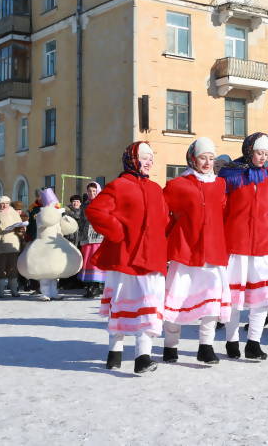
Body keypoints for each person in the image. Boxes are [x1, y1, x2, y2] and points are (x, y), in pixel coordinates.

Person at [86, 141, 169, 374]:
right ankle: (115, 351)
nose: (149, 161)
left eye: (151, 157)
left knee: (149, 305)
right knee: (121, 304)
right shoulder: (119, 186)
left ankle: (143, 356)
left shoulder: (155, 189)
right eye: (144, 157)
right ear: (132, 159)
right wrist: (118, 232)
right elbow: (95, 211)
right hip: (124, 257)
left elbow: (164, 220)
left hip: (151, 258)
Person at [218, 133, 268, 360]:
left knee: (262, 298)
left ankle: (253, 342)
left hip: (264, 246)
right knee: (233, 299)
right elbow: (217, 204)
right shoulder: (229, 175)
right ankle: (231, 342)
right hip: (236, 245)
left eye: (267, 153)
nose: (263, 157)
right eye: (260, 152)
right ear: (249, 151)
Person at [162, 137, 231, 366]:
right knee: (177, 299)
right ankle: (170, 346)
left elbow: (224, 213)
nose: (208, 162)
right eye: (203, 157)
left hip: (213, 252)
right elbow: (163, 215)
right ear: (193, 158)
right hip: (186, 252)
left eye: (211, 158)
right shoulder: (177, 185)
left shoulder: (220, 184)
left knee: (212, 302)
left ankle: (206, 346)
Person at [0, 196, 22, 298]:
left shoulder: (13, 212)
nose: (4, 205)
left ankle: (14, 291)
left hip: (12, 243)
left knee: (13, 268)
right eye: (2, 204)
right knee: (1, 268)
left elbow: (20, 224)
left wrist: (20, 228)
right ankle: (1, 292)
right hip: (0, 243)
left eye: (6, 203)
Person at [77, 182, 106, 298]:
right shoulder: (84, 205)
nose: (92, 193)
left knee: (96, 261)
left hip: (99, 236)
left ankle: (97, 285)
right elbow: (81, 221)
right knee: (87, 261)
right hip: (86, 237)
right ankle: (89, 285)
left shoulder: (103, 203)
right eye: (89, 191)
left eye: (94, 191)